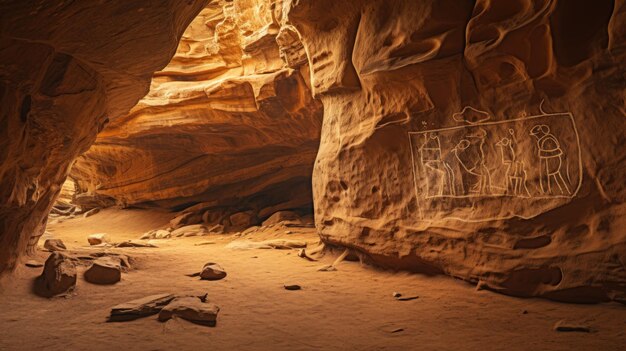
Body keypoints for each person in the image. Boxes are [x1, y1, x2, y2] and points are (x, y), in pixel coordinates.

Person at [530, 125, 570, 195]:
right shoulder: (542, 140)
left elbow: (553, 152)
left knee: (554, 176)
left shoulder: (548, 139)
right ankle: (552, 191)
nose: (536, 136)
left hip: (553, 161)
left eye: (536, 135)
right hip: (549, 162)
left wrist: (542, 154)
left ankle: (562, 190)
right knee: (551, 176)